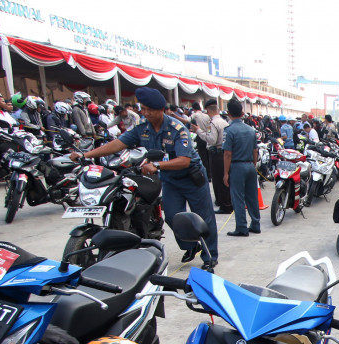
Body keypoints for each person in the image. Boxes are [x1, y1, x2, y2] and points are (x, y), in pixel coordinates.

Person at [71, 86, 220, 269]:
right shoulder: (142, 128)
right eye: (143, 109)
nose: (146, 113)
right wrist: (86, 155)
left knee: (204, 217)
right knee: (173, 217)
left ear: (161, 110)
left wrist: (156, 165)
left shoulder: (176, 129)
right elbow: (118, 143)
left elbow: (184, 160)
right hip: (170, 180)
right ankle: (191, 245)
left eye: (150, 110)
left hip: (191, 178)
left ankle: (210, 256)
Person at [222, 98, 262, 236]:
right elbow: (255, 151)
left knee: (238, 198)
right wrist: (253, 165)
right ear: (242, 112)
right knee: (252, 197)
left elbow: (227, 154)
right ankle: (256, 224)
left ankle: (241, 227)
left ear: (228, 113)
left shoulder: (229, 130)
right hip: (250, 164)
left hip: (237, 166)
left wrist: (226, 173)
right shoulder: (251, 130)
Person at [193, 98, 232, 214]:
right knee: (225, 180)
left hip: (216, 154)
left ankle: (224, 205)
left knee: (218, 181)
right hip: (224, 153)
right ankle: (227, 203)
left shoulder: (212, 124)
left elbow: (211, 139)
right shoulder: (224, 122)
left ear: (207, 111)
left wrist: (199, 131)